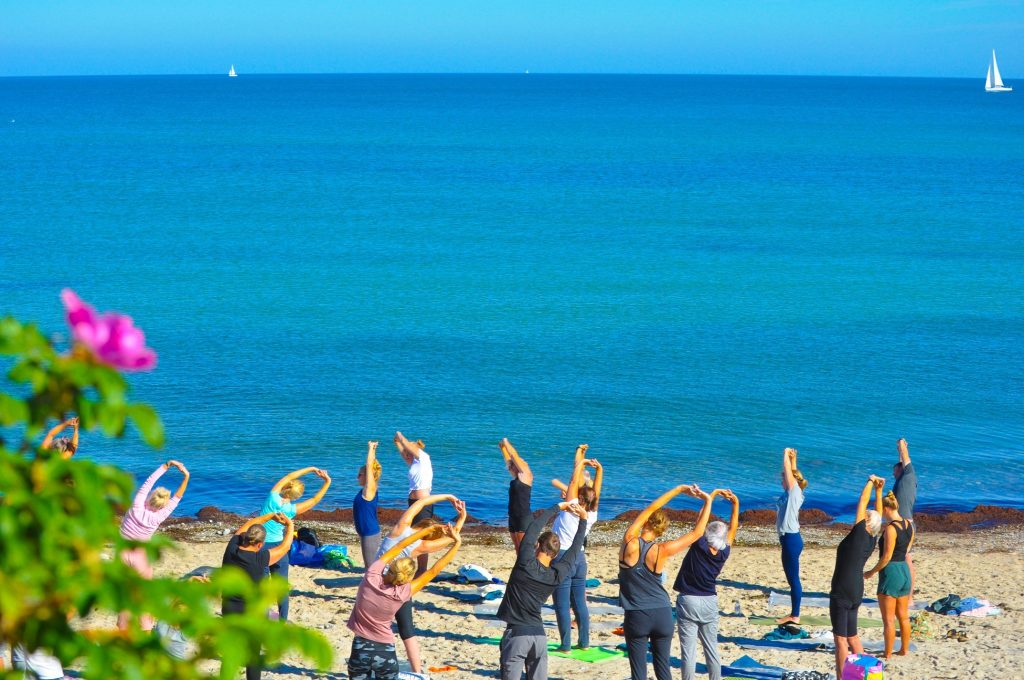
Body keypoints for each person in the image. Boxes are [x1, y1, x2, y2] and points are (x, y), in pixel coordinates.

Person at [618, 483, 722, 680]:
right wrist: (708, 501)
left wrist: (678, 490)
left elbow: (650, 508)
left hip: (637, 615)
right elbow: (697, 533)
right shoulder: (662, 550)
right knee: (663, 670)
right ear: (661, 531)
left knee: (639, 673)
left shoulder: (629, 541)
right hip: (662, 613)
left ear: (646, 523)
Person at [347, 524, 462, 680]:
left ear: (392, 566)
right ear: (407, 578)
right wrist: (457, 544)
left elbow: (401, 545)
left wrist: (426, 530)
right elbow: (434, 570)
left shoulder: (371, 575)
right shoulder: (403, 593)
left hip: (360, 649)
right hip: (385, 652)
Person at [376, 493, 467, 675]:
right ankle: (418, 672)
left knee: (374, 628)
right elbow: (452, 539)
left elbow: (422, 502)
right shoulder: (420, 546)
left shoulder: (400, 528)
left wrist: (448, 497)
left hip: (374, 584)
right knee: (407, 632)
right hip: (397, 590)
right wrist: (462, 518)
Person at [498, 500, 589, 680]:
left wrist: (558, 507)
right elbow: (574, 550)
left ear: (537, 545)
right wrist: (583, 520)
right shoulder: (556, 575)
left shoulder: (525, 562)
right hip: (539, 638)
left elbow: (534, 527)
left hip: (517, 635)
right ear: (555, 555)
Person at [673, 488, 738, 680]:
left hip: (689, 600)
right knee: (712, 649)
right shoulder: (724, 552)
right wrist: (735, 504)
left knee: (688, 652)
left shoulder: (699, 543)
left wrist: (710, 496)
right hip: (710, 601)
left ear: (707, 534)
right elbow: (734, 527)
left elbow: (699, 522)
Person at [221, 512, 295, 680]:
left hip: (229, 609)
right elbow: (285, 546)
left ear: (245, 538)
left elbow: (249, 523)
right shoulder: (261, 558)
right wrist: (289, 525)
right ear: (260, 544)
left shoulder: (231, 548)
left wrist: (268, 516)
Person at [118, 460, 190, 630]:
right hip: (140, 558)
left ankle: (122, 627)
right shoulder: (158, 517)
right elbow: (177, 498)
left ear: (151, 496)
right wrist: (186, 476)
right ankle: (146, 628)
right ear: (163, 504)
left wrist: (167, 465)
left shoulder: (136, 505)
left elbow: (148, 481)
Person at [829, 475, 884, 680]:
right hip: (856, 588)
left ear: (866, 521)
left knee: (840, 640)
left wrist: (870, 481)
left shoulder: (860, 532)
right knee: (853, 636)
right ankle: (865, 674)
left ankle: (842, 677)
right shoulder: (872, 538)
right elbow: (879, 515)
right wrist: (879, 492)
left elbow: (862, 502)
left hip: (843, 589)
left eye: (866, 516)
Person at [259, 466, 332, 621]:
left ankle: (264, 619)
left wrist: (311, 469)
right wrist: (327, 482)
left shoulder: (272, 497)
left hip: (262, 546)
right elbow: (315, 500)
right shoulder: (292, 509)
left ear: (286, 487)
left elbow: (289, 475)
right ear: (296, 496)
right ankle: (282, 620)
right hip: (279, 546)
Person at [551, 448, 601, 652]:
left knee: (562, 604)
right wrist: (600, 470)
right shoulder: (592, 513)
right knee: (579, 603)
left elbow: (572, 482)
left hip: (562, 557)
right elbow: (596, 491)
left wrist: (580, 462)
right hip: (579, 558)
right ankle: (585, 643)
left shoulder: (571, 507)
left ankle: (565, 645)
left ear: (578, 497)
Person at [864, 490, 916, 659]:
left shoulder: (891, 530)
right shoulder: (909, 525)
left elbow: (886, 556)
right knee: (904, 617)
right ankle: (904, 649)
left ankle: (887, 654)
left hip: (892, 572)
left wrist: (871, 572)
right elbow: (907, 548)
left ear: (886, 509)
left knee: (888, 619)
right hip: (904, 570)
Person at [775, 447, 807, 625]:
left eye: (783, 478)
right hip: (789, 539)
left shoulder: (794, 492)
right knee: (791, 579)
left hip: (791, 540)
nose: (782, 480)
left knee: (793, 579)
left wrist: (785, 454)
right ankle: (794, 613)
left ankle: (795, 615)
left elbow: (789, 472)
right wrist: (794, 459)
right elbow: (792, 473)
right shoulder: (793, 493)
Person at [394, 431, 433, 576]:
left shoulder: (424, 458)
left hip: (422, 503)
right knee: (413, 533)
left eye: (409, 450)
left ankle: (422, 570)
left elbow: (406, 445)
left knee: (422, 536)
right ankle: (418, 568)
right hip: (413, 502)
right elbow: (404, 453)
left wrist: (399, 435)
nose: (406, 454)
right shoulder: (415, 463)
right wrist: (398, 444)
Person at [891, 438, 917, 602]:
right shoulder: (902, 479)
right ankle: (902, 592)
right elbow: (902, 462)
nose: (893, 474)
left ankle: (909, 595)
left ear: (901, 471)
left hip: (906, 524)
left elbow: (906, 462)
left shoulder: (909, 476)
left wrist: (902, 445)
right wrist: (899, 452)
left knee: (906, 559)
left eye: (895, 471)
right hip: (899, 524)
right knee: (901, 558)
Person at [500, 437, 534, 551]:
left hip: (523, 516)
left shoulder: (526, 475)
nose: (513, 465)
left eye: (519, 462)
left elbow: (514, 455)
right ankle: (520, 568)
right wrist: (503, 448)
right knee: (517, 548)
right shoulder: (516, 477)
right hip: (513, 516)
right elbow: (509, 461)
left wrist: (506, 442)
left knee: (524, 548)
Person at [354, 440, 382, 567]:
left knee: (371, 569)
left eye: (360, 474)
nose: (357, 477)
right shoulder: (369, 489)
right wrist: (374, 450)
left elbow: (370, 465)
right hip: (368, 533)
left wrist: (370, 448)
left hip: (370, 534)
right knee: (371, 567)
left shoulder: (369, 490)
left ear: (367, 476)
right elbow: (372, 466)